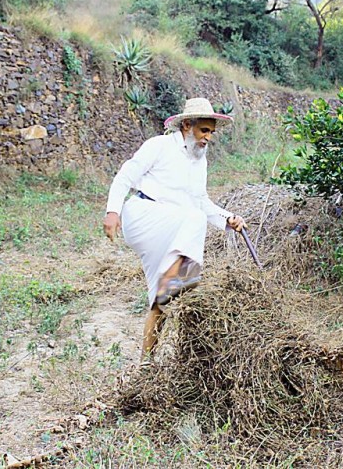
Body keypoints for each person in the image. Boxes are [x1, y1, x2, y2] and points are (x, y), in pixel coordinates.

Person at [103, 97, 246, 361]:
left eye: (211, 133)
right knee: (194, 221)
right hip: (144, 215)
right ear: (187, 125)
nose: (208, 138)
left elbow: (201, 200)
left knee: (160, 303)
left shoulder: (199, 160)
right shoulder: (159, 146)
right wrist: (113, 211)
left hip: (172, 226)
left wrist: (228, 218)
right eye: (204, 130)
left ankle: (147, 362)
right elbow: (125, 176)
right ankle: (181, 283)